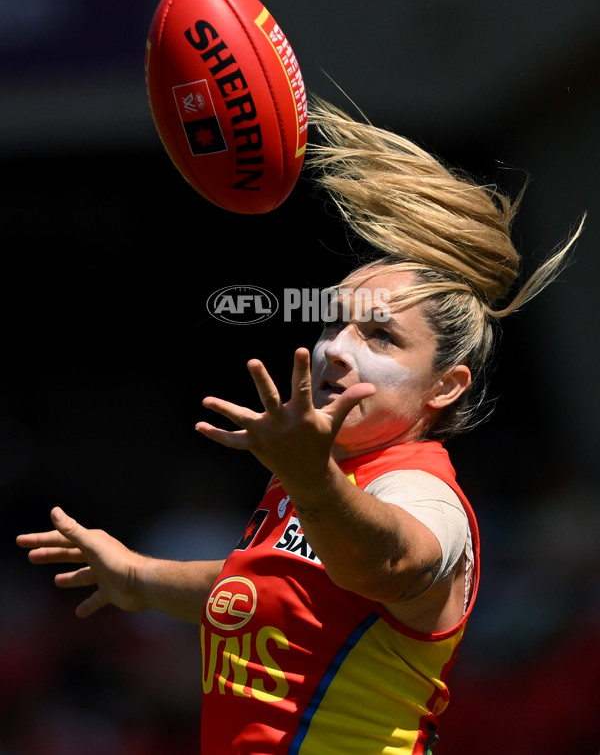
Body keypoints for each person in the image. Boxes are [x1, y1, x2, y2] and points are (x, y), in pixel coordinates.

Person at [16, 100, 584, 754]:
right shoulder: (319, 482)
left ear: (444, 386)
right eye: (333, 322)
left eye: (380, 336)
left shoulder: (421, 495)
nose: (336, 348)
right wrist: (139, 578)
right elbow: (266, 591)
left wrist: (311, 480)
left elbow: (391, 562)